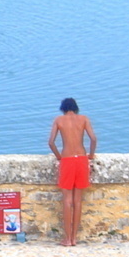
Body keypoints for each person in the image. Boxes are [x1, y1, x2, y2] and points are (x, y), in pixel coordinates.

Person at [48, 97, 97, 246]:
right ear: (76, 108)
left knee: (67, 200)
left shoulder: (59, 120)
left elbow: (51, 142)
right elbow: (93, 139)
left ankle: (67, 238)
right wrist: (91, 155)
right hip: (81, 159)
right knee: (78, 200)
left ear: (63, 108)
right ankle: (75, 238)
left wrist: (59, 157)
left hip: (67, 159)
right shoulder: (84, 119)